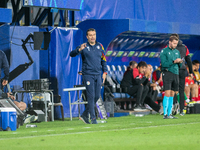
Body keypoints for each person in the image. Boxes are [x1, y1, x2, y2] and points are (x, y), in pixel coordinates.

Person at [70, 28, 107, 124]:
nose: (92, 37)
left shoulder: (100, 46)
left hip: (98, 74)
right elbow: (71, 54)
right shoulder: (84, 46)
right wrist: (79, 49)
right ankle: (93, 118)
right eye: (90, 35)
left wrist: (105, 72)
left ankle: (84, 115)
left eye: (94, 34)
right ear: (87, 37)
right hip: (88, 75)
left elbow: (103, 60)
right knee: (90, 96)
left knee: (96, 96)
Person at [160, 35, 182, 119]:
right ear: (169, 42)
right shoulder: (164, 51)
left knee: (172, 94)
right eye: (174, 43)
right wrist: (173, 61)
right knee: (167, 92)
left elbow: (180, 65)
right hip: (168, 73)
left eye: (176, 43)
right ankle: (165, 114)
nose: (175, 45)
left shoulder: (177, 52)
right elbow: (164, 63)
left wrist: (179, 62)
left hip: (176, 73)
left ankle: (170, 113)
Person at [171, 34, 193, 116]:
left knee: (172, 88)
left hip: (173, 70)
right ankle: (181, 110)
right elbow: (188, 60)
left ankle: (174, 105)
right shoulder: (185, 47)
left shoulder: (170, 46)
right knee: (181, 89)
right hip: (182, 70)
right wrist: (191, 71)